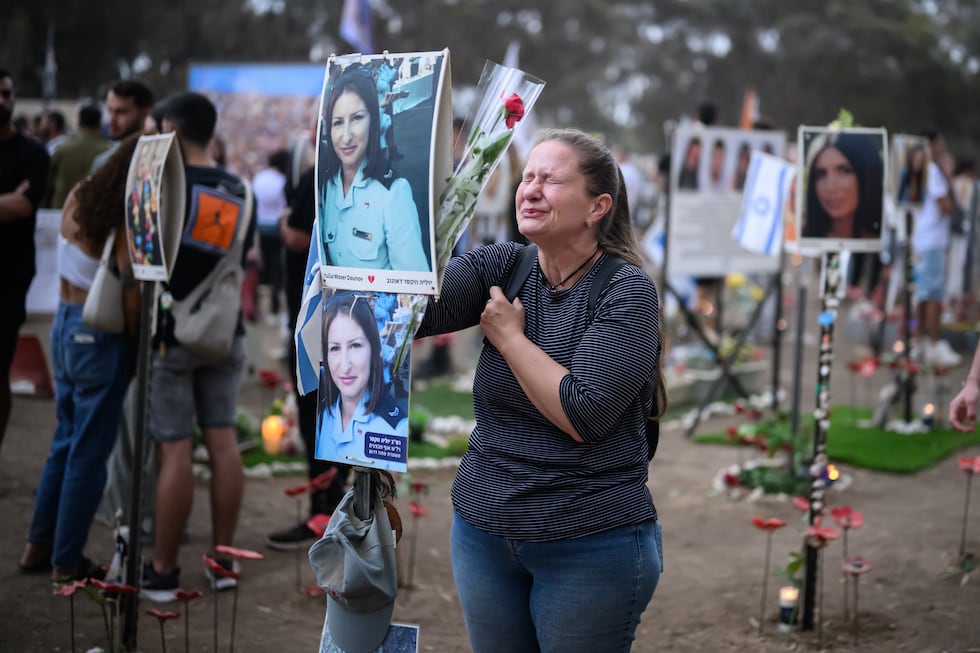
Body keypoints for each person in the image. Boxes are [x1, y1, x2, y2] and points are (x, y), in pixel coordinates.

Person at [415, 128, 665, 651]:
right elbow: (414, 312)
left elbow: (585, 413)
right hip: (483, 531)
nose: (529, 188)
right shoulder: (502, 266)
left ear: (597, 206)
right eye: (526, 176)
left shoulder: (627, 292)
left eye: (549, 180)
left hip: (588, 545)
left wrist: (509, 337)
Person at [140, 92, 255, 602]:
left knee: (175, 451)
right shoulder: (241, 188)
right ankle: (223, 562)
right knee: (224, 440)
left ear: (169, 127)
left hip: (173, 333)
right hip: (224, 332)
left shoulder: (165, 185)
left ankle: (163, 571)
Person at [18, 134, 142, 581]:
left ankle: (38, 547)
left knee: (64, 442)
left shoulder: (79, 194)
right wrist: (135, 342)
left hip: (64, 322)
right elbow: (129, 291)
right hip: (99, 332)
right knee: (89, 454)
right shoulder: (123, 213)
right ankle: (66, 560)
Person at [265, 140, 351, 551]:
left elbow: (299, 238)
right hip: (351, 317)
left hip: (316, 317)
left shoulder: (317, 176)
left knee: (317, 415)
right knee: (340, 416)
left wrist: (284, 221)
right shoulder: (366, 174)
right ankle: (341, 510)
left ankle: (325, 513)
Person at [318, 65, 428, 272]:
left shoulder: (394, 193)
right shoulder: (325, 189)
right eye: (338, 122)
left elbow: (416, 289)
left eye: (357, 118)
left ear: (374, 121)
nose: (347, 136)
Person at [0, 68, 50, 461]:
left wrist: (16, 203)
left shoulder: (33, 154)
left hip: (9, 280)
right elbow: (12, 205)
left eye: (6, 93)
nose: (2, 101)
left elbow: (24, 205)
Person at [314, 292, 408, 468]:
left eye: (355, 345)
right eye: (334, 348)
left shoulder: (396, 429)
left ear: (374, 347)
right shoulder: (322, 416)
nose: (345, 365)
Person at [911, 130, 960, 367]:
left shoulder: (921, 170)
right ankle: (934, 343)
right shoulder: (934, 172)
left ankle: (919, 341)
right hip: (932, 241)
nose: (943, 152)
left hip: (923, 238)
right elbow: (946, 206)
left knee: (923, 293)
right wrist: (949, 177)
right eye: (939, 147)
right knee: (933, 293)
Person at [802, 131, 883, 240]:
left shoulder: (882, 240)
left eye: (844, 171)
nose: (830, 187)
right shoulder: (803, 237)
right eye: (821, 174)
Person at [44, 104, 110, 209]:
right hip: (94, 213)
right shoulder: (109, 150)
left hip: (60, 211)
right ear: (99, 124)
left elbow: (47, 184)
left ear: (79, 122)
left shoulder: (62, 149)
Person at [252, 149, 290, 320]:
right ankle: (274, 305)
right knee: (276, 266)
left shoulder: (259, 178)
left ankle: (258, 307)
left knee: (262, 267)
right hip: (275, 228)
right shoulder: (282, 181)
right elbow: (283, 206)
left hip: (260, 227)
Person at [90, 79, 154, 171]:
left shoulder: (157, 160)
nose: (111, 120)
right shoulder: (103, 163)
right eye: (110, 111)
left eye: (121, 112)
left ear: (144, 113)